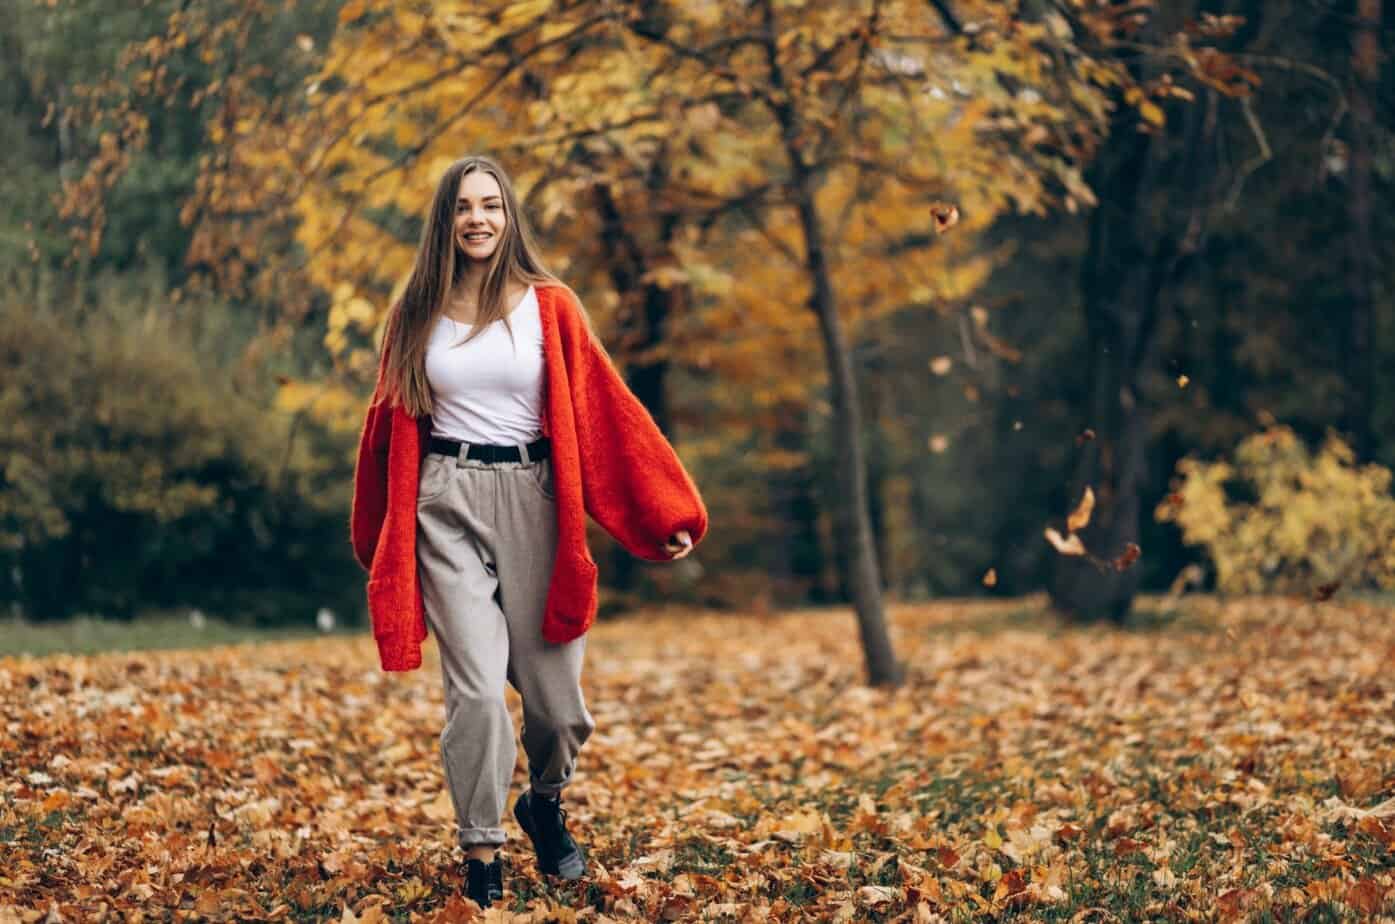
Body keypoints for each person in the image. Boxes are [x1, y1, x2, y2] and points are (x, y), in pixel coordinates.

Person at [349, 154, 708, 910]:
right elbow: (384, 429)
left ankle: (544, 802)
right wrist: (382, 535)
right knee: (477, 693)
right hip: (444, 501)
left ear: (509, 217)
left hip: (535, 498)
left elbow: (605, 413)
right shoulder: (415, 312)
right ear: (444, 221)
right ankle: (481, 855)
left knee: (557, 707)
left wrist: (660, 510)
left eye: (491, 205)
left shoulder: (551, 306)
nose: (477, 219)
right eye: (463, 207)